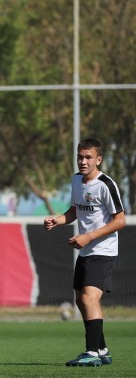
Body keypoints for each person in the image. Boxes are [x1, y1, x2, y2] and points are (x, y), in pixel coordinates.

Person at [44, 138, 126, 367]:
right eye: (80, 156)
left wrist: (89, 236)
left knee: (90, 297)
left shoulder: (105, 185)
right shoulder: (76, 181)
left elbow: (120, 221)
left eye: (88, 157)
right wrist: (57, 220)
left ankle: (91, 352)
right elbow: (74, 210)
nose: (83, 161)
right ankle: (101, 349)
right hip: (85, 251)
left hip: (103, 249)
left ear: (98, 159)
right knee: (81, 300)